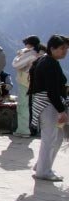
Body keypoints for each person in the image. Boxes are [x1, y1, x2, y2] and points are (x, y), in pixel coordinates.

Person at [29, 35, 69, 182]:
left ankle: (42, 165)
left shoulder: (46, 60)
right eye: (62, 48)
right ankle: (43, 171)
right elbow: (52, 90)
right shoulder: (50, 64)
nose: (65, 51)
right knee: (51, 138)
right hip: (49, 104)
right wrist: (61, 110)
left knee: (54, 137)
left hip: (45, 103)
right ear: (52, 48)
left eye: (67, 48)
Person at [12, 35, 44, 138]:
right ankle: (36, 129)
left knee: (23, 106)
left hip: (26, 82)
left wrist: (19, 55)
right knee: (37, 105)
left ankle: (23, 130)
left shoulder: (30, 54)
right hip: (39, 83)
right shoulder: (43, 53)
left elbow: (16, 65)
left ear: (28, 44)